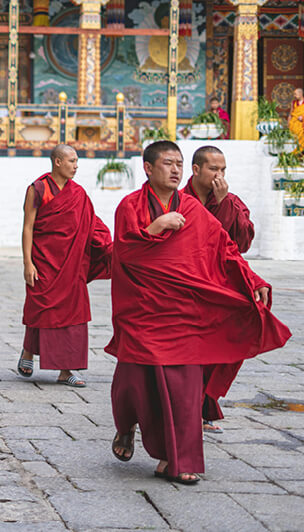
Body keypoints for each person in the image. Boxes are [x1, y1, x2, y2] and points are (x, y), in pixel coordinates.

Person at [108, 141, 290, 485]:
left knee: (184, 386)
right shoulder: (129, 206)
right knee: (133, 383)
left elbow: (223, 246)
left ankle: (176, 459)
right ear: (148, 168)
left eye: (179, 163)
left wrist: (253, 278)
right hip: (143, 310)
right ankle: (126, 425)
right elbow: (125, 252)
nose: (175, 170)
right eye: (167, 163)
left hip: (183, 312)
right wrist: (156, 227)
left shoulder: (191, 207)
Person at [17, 145, 112, 387]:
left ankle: (66, 370)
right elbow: (28, 227)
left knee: (71, 314)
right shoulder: (37, 189)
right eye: (71, 161)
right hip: (44, 260)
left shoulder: (78, 193)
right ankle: (29, 351)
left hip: (72, 264)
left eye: (77, 161)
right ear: (57, 162)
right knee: (42, 307)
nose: (76, 165)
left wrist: (106, 243)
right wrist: (28, 263)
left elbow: (90, 222)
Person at [183, 145, 256, 433]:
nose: (219, 175)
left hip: (220, 285)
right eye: (214, 169)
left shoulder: (231, 201)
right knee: (188, 350)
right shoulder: (178, 198)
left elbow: (241, 243)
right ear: (196, 169)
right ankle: (187, 408)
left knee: (221, 348)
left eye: (223, 170)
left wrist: (224, 203)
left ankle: (205, 405)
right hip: (186, 284)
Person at [289, 88, 304, 153]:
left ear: (300, 94)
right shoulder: (294, 103)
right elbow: (291, 114)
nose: (294, 96)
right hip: (295, 124)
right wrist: (289, 123)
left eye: (295, 94)